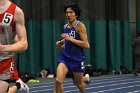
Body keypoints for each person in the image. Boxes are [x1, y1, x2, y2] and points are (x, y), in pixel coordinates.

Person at [54, 4, 90, 93]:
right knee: (58, 81)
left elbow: (86, 44)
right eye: (67, 13)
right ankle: (85, 78)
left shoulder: (80, 26)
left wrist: (70, 39)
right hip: (65, 57)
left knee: (78, 83)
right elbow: (67, 40)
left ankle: (85, 79)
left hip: (77, 59)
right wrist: (61, 43)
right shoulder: (65, 26)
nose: (68, 14)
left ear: (76, 14)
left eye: (71, 12)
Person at [0, 0, 29, 93]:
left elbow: (24, 44)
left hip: (4, 62)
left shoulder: (16, 12)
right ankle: (18, 85)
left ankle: (17, 85)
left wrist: (3, 48)